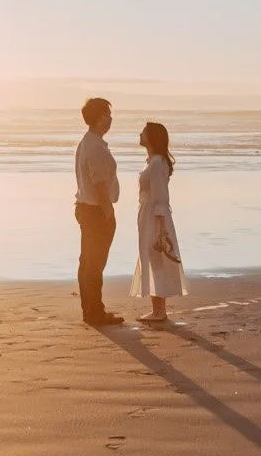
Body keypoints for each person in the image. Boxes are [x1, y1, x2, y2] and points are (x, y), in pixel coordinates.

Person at [73, 97, 122, 326]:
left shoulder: (89, 143)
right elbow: (100, 183)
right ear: (98, 118)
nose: (110, 119)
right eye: (107, 115)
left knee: (88, 262)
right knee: (94, 264)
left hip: (87, 208)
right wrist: (108, 212)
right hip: (95, 211)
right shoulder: (93, 146)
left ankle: (91, 310)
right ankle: (94, 312)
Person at [131, 121, 186, 323]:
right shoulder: (153, 161)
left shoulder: (156, 164)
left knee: (156, 258)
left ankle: (159, 311)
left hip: (155, 217)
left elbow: (161, 196)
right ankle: (158, 309)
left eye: (144, 132)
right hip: (149, 214)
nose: (140, 134)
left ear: (152, 138)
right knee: (153, 258)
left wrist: (161, 229)